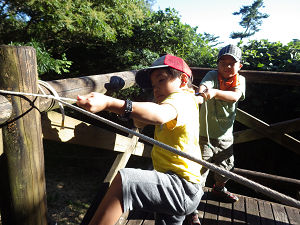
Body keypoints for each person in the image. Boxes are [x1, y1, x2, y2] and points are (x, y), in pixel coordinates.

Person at [76, 54, 204, 225]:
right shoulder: (180, 102)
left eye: (161, 80)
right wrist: (114, 106)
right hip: (179, 184)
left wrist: (109, 103)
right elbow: (140, 120)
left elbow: (159, 115)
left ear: (182, 80)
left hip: (181, 186)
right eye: (153, 85)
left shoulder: (182, 98)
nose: (156, 89)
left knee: (125, 181)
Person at [197, 44, 246, 203]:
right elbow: (204, 85)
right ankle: (192, 203)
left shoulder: (240, 80)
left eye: (232, 63)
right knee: (198, 170)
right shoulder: (212, 75)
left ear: (240, 66)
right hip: (204, 135)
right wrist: (201, 91)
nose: (227, 66)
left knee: (226, 168)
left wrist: (215, 93)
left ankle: (218, 189)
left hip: (226, 137)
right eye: (223, 63)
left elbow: (235, 96)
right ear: (217, 64)